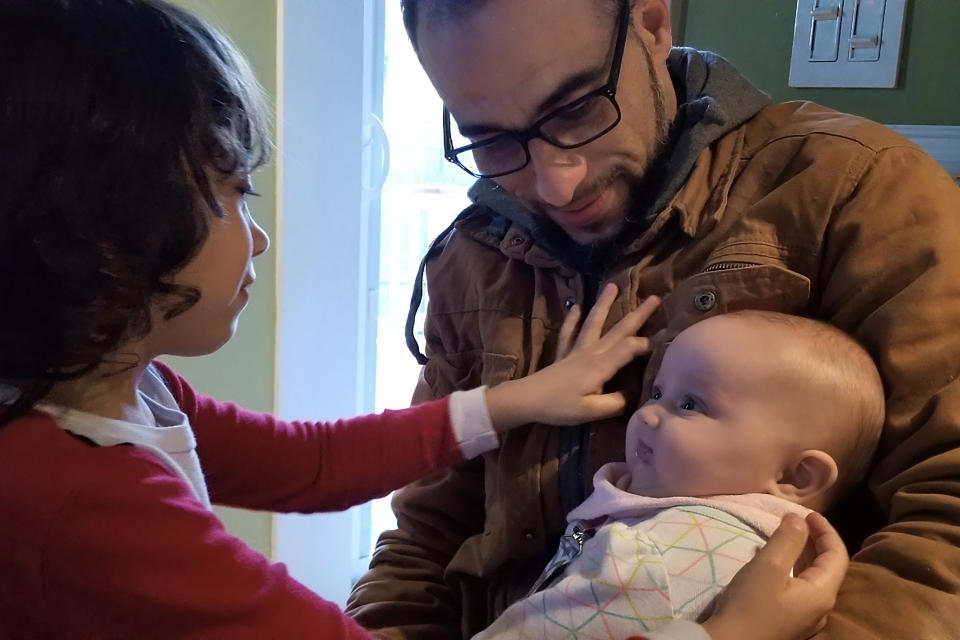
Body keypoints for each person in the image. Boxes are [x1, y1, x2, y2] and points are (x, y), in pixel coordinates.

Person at [0, 1, 674, 637]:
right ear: (110, 220)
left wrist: (520, 400)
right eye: (236, 192)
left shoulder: (126, 389)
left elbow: (308, 462)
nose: (258, 237)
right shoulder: (76, 495)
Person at [345, 0, 960, 638]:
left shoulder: (855, 193)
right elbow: (426, 535)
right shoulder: (471, 255)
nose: (557, 184)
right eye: (492, 140)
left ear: (653, 25)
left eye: (578, 108)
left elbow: (946, 515)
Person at [474, 311, 884, 639]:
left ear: (796, 475)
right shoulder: (784, 574)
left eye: (691, 404)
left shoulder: (642, 560)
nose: (647, 413)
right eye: (657, 393)